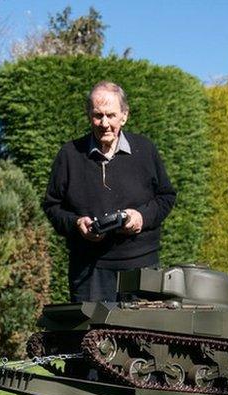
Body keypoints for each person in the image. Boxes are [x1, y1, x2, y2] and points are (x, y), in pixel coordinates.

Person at [43, 81, 177, 302]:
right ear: (89, 115)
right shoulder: (69, 155)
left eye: (111, 115)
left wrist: (142, 217)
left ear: (124, 116)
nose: (104, 123)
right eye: (97, 115)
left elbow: (166, 196)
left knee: (141, 337)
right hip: (89, 272)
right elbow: (52, 206)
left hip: (142, 269)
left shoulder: (145, 150)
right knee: (91, 336)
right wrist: (77, 225)